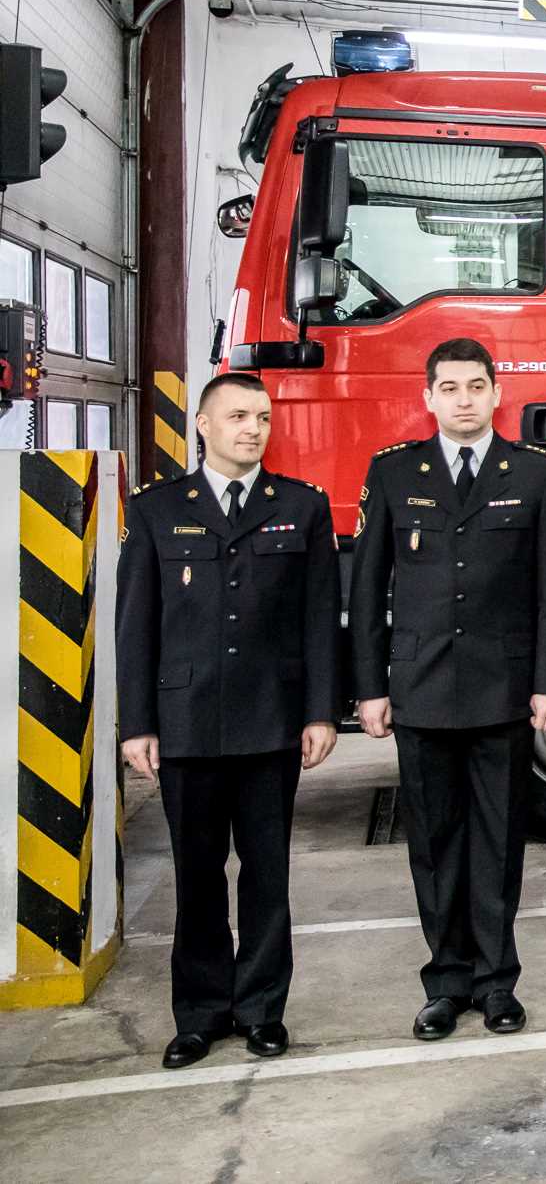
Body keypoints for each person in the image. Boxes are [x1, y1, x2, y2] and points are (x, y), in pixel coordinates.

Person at [116, 373, 340, 1069]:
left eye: (263, 417)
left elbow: (319, 621)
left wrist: (320, 711)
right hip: (186, 722)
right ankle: (200, 1014)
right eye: (239, 415)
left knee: (267, 875)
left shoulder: (301, 506)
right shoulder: (155, 510)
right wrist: (137, 724)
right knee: (197, 876)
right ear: (204, 425)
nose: (253, 428)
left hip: (272, 721)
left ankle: (263, 1009)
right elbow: (135, 627)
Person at [350, 339, 546, 1041]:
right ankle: (446, 982)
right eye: (450, 387)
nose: (464, 399)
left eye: (476, 385)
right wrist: (370, 688)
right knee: (435, 844)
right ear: (429, 397)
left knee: (499, 845)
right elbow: (367, 591)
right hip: (420, 688)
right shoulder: (394, 471)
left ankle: (497, 982)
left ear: (497, 393)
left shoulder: (536, 473)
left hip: (503, 689)